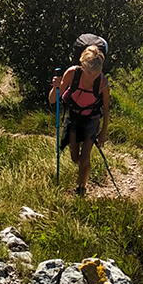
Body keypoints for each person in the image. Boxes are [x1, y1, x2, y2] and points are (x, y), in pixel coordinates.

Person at [48, 43, 109, 196]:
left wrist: (103, 132)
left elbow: (106, 109)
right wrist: (55, 87)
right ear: (82, 65)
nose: (93, 76)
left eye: (96, 72)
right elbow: (52, 100)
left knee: (84, 157)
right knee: (75, 157)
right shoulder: (72, 74)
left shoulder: (102, 82)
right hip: (74, 116)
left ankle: (81, 187)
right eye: (89, 72)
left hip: (92, 119)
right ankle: (83, 174)